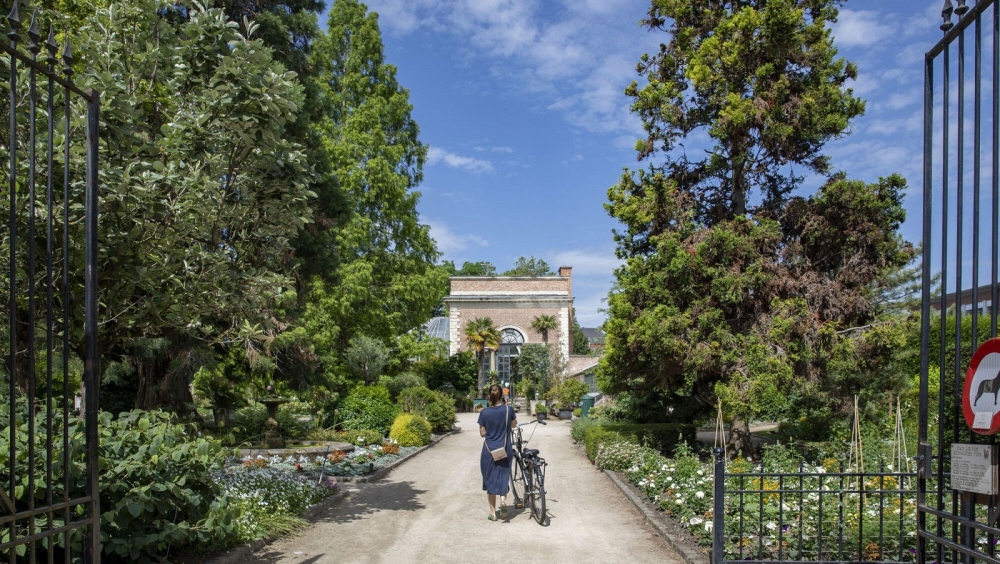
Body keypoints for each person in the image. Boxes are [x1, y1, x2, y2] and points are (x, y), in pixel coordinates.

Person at [479, 383, 517, 521]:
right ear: (502, 396)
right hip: (504, 449)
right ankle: (503, 501)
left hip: (489, 450)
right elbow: (513, 425)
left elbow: (482, 433)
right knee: (503, 476)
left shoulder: (484, 412)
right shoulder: (508, 410)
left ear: (489, 397)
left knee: (490, 479)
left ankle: (493, 513)